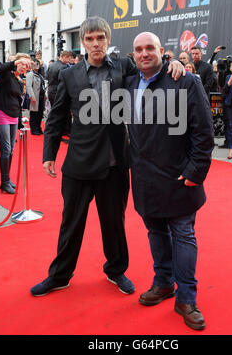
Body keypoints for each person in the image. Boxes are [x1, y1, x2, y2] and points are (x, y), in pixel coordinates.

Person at [30, 16, 185, 297]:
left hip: (115, 163)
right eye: (89, 39)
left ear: (108, 39)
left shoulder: (123, 67)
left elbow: (152, 70)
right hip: (79, 162)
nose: (95, 43)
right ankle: (60, 275)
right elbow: (57, 116)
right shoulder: (69, 74)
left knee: (114, 222)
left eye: (100, 37)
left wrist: (177, 63)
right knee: (71, 223)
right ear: (83, 42)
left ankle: (116, 270)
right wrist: (49, 153)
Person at [125, 32, 214, 330]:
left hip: (179, 177)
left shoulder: (186, 81)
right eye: (138, 49)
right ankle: (163, 283)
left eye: (150, 48)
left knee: (184, 235)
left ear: (162, 51)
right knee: (155, 233)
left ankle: (187, 298)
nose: (144, 53)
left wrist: (195, 172)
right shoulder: (129, 83)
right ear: (133, 54)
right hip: (144, 178)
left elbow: (204, 132)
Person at [0, 53, 32, 193]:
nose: (25, 67)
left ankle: (6, 179)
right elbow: (2, 69)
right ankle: (5, 182)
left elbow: (18, 102)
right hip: (0, 112)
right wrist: (15, 61)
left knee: (11, 148)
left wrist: (19, 121)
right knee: (6, 148)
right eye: (23, 64)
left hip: (13, 114)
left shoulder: (19, 79)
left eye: (27, 65)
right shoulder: (5, 74)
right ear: (16, 63)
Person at [26, 59, 46, 135]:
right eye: (34, 64)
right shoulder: (30, 74)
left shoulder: (40, 74)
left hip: (41, 97)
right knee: (34, 114)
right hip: (34, 97)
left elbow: (43, 85)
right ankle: (33, 129)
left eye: (37, 64)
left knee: (40, 114)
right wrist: (32, 96)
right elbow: (28, 86)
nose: (36, 65)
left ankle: (38, 128)